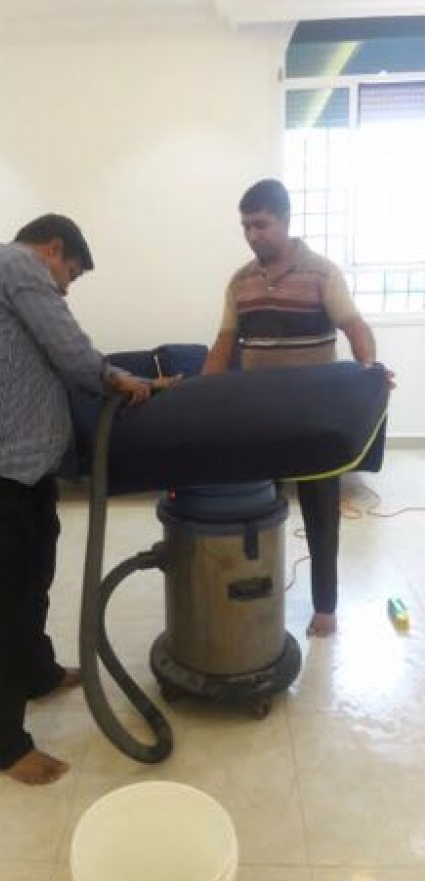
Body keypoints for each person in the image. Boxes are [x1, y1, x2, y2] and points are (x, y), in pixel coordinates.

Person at [0, 214, 178, 785]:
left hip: (19, 475)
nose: (65, 289)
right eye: (71, 274)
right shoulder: (12, 261)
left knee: (34, 577)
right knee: (5, 610)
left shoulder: (0, 279)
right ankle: (3, 746)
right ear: (53, 248)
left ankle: (37, 673)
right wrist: (117, 378)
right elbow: (72, 351)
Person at [202, 179, 380, 639]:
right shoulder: (239, 282)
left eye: (261, 225)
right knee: (255, 513)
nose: (252, 235)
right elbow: (224, 343)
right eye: (245, 226)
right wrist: (201, 394)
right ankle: (257, 593)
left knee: (321, 517)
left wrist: (370, 370)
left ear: (285, 220)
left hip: (314, 422)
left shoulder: (322, 273)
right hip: (259, 420)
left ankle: (325, 608)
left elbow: (354, 326)